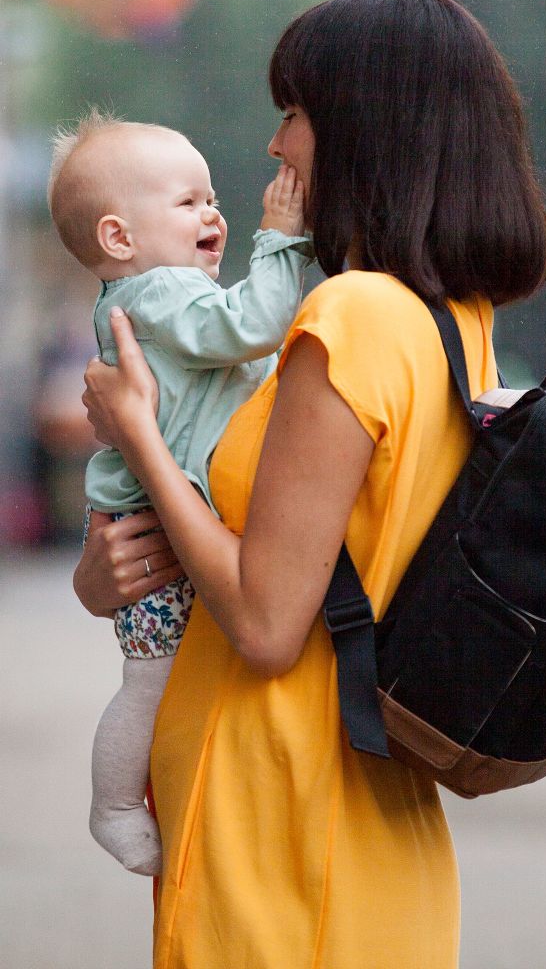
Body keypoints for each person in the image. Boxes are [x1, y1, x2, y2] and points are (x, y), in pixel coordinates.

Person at [75, 0, 546, 967]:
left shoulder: (351, 320)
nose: (275, 146)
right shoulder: (452, 319)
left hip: (281, 806)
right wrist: (104, 574)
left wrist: (137, 436)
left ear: (362, 127)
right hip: (351, 800)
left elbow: (262, 619)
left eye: (292, 114)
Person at [48, 110, 314, 877]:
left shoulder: (162, 301)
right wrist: (281, 238)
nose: (215, 213)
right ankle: (114, 805)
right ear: (118, 239)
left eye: (212, 199)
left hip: (161, 513)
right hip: (144, 522)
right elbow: (255, 324)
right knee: (151, 675)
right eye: (188, 201)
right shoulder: (157, 294)